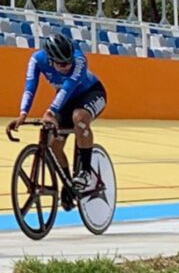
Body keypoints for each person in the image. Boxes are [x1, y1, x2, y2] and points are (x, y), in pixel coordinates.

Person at [8, 33, 108, 211]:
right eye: (62, 64)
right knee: (54, 144)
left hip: (91, 93)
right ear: (50, 59)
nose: (67, 66)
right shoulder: (36, 60)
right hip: (65, 100)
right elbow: (30, 87)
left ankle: (85, 172)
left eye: (68, 61)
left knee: (80, 118)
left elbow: (68, 87)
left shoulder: (79, 61)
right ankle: (68, 184)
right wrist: (22, 114)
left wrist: (50, 111)